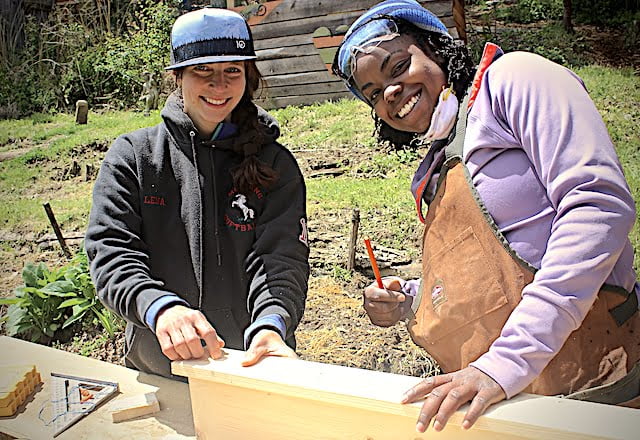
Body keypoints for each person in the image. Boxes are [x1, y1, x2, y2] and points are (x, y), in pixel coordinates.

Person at [333, 0, 640, 433]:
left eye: (397, 66)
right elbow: (492, 278)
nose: (389, 92)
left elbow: (597, 206)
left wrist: (507, 361)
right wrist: (414, 300)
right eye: (371, 93)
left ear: (437, 48)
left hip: (592, 378)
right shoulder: (436, 168)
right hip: (504, 401)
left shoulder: (515, 81)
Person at [85, 8, 310, 380]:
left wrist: (271, 324)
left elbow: (281, 256)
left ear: (248, 75)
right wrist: (159, 308)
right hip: (160, 365)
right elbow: (111, 252)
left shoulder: (276, 163)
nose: (218, 86)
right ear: (177, 76)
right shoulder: (134, 157)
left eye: (232, 71)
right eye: (202, 71)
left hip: (255, 365)